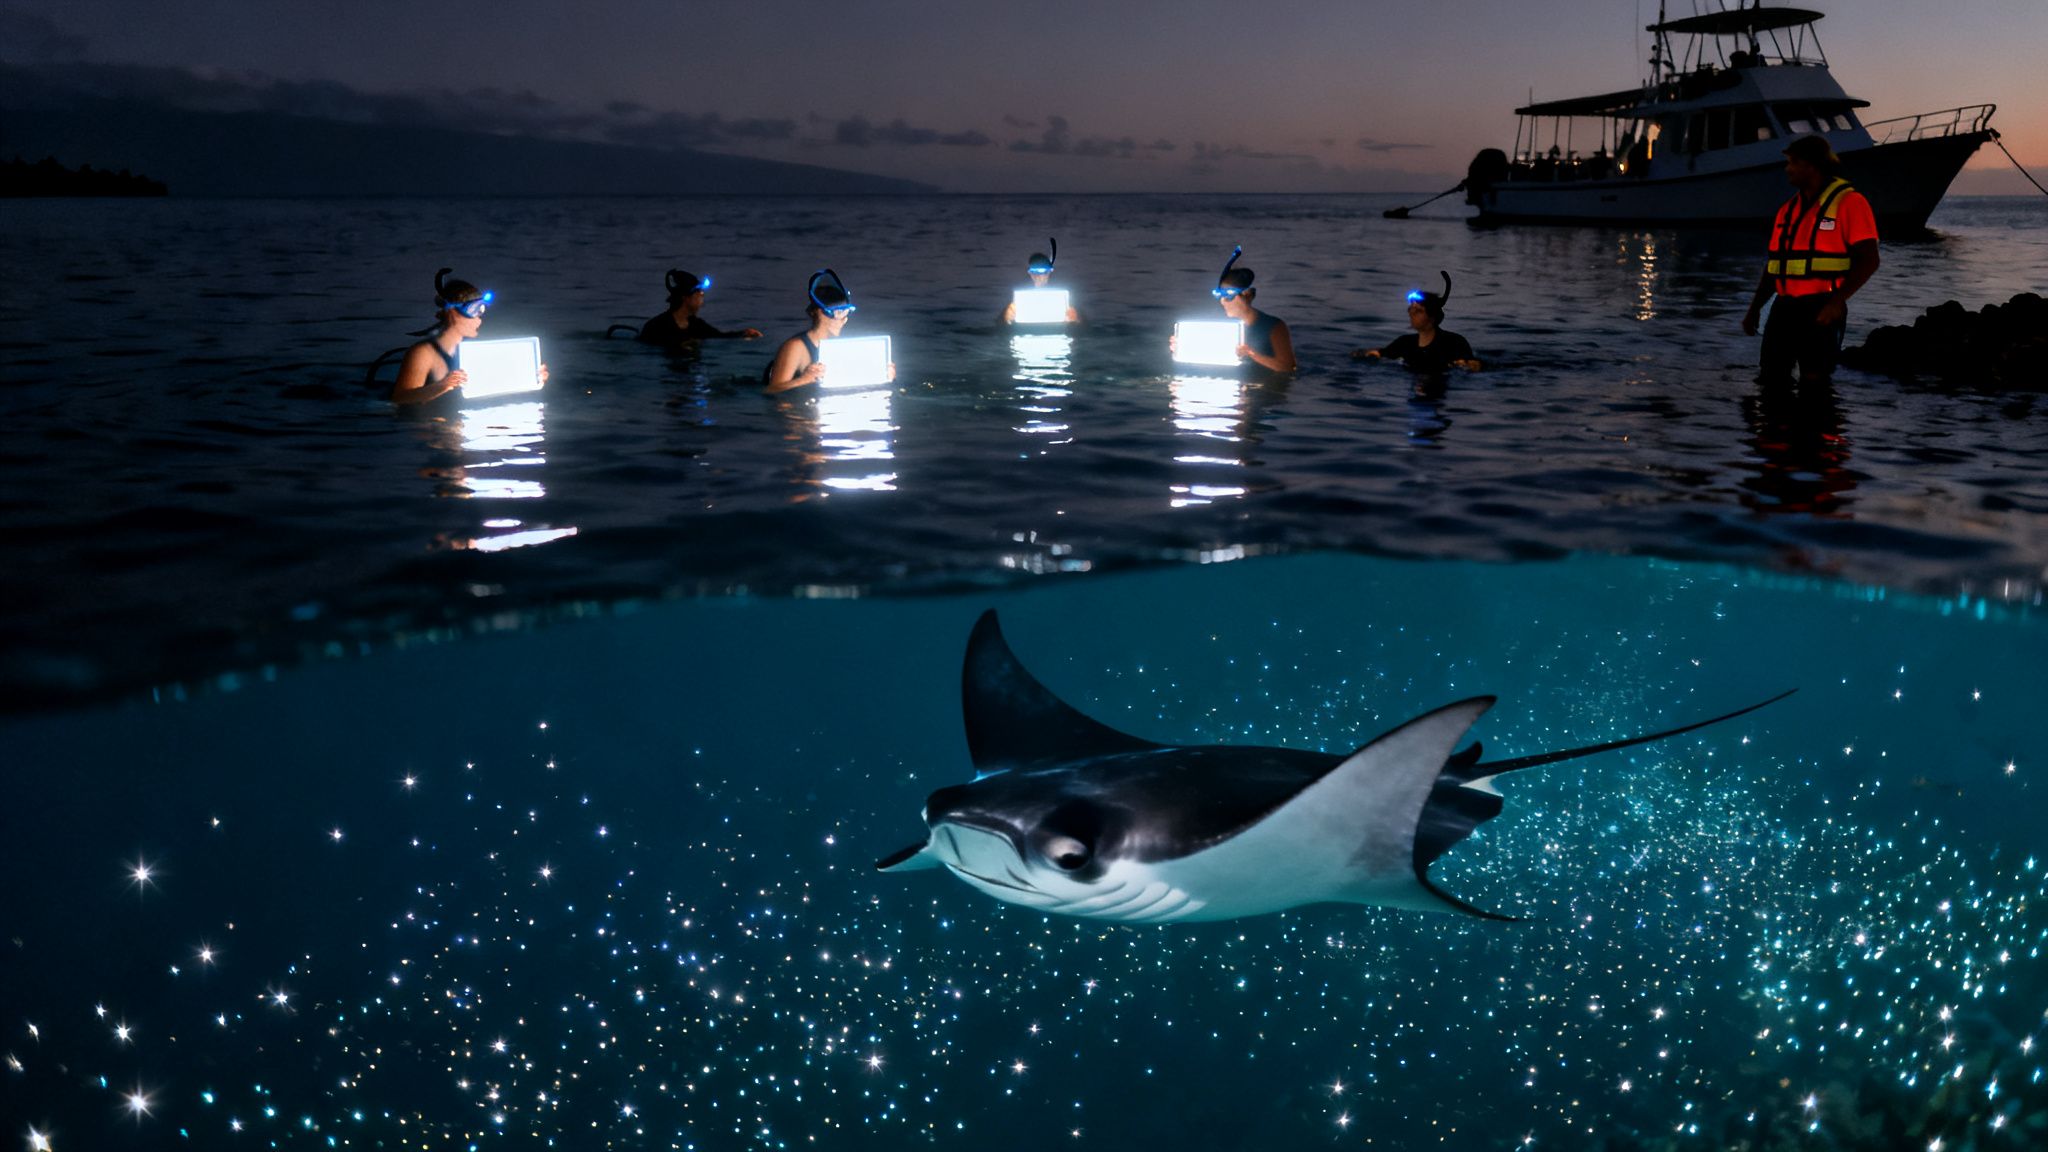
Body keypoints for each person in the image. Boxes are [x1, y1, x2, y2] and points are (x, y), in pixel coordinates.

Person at [1741, 134, 1880, 383]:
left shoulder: (1850, 203)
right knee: (1770, 379)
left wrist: (1837, 302)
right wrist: (1754, 309)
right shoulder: (1787, 211)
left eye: (1793, 162)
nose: (1788, 169)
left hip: (1822, 307)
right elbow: (1774, 267)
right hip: (1783, 308)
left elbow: (1870, 260)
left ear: (1812, 165)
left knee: (1815, 384)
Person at [391, 269, 547, 406]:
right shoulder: (423, 353)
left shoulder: (478, 351)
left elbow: (499, 386)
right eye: (474, 310)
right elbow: (399, 398)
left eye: (482, 310)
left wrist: (531, 377)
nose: (479, 319)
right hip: (431, 429)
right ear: (451, 312)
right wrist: (442, 386)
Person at [764, 269, 895, 394]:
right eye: (838, 312)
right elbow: (771, 390)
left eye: (846, 312)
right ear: (817, 312)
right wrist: (804, 379)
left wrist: (884, 377)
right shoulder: (796, 347)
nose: (843, 319)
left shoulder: (848, 349)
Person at [1171, 246, 1296, 372]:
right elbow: (1206, 363)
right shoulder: (1215, 326)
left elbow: (1288, 367)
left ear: (1246, 295)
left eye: (1228, 296)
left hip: (1264, 385)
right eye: (1219, 296)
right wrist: (1183, 348)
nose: (1222, 301)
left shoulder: (1274, 326)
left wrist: (1252, 354)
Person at [1353, 272, 1482, 372]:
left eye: (1418, 311)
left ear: (1432, 317)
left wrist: (1470, 365)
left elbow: (1473, 366)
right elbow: (1381, 354)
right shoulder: (1405, 343)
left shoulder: (1454, 343)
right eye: (1410, 309)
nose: (1411, 313)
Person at [638, 269, 762, 349]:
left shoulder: (696, 325)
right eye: (700, 294)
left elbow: (718, 336)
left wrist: (743, 334)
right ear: (686, 297)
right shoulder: (656, 326)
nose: (702, 299)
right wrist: (679, 345)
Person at [999, 238, 1082, 325]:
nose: (1037, 277)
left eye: (1042, 273)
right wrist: (1006, 317)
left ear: (1049, 273)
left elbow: (1085, 323)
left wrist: (1077, 319)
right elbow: (999, 324)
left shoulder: (1065, 296)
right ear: (1029, 273)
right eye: (1034, 272)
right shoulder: (1018, 295)